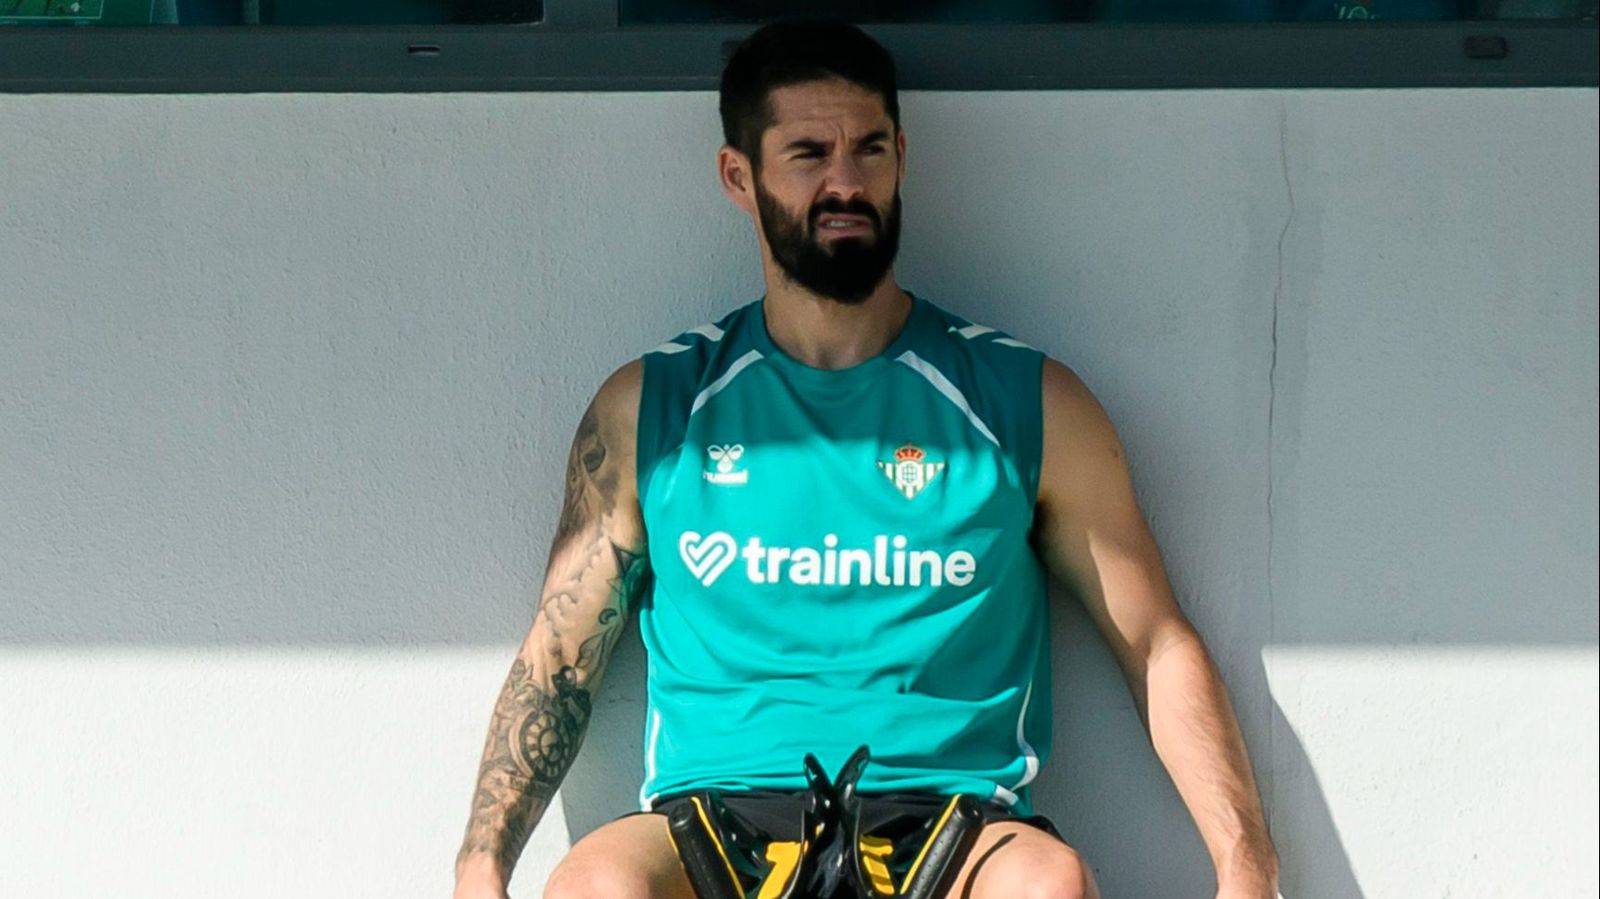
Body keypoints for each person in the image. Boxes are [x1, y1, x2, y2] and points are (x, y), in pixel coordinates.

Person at [452, 19, 1279, 899]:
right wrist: (479, 869)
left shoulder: (1024, 401)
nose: (846, 181)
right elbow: (559, 653)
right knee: (592, 886)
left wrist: (1246, 866)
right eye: (808, 152)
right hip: (715, 824)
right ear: (740, 175)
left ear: (902, 159)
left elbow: (1154, 642)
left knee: (1049, 882)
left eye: (870, 149)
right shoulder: (653, 406)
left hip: (955, 825)